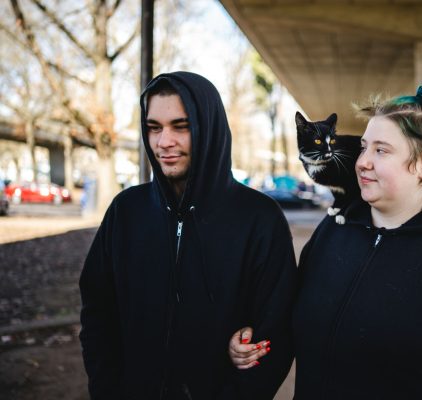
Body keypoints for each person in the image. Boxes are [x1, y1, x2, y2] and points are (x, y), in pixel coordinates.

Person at [229, 85, 422, 399]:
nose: (362, 161)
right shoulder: (332, 232)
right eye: (363, 147)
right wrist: (252, 339)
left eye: (381, 150)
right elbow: (291, 322)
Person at [79, 71, 298, 399]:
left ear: (208, 128)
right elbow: (97, 314)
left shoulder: (260, 219)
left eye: (180, 126)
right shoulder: (126, 212)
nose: (164, 141)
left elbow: (276, 331)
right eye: (154, 128)